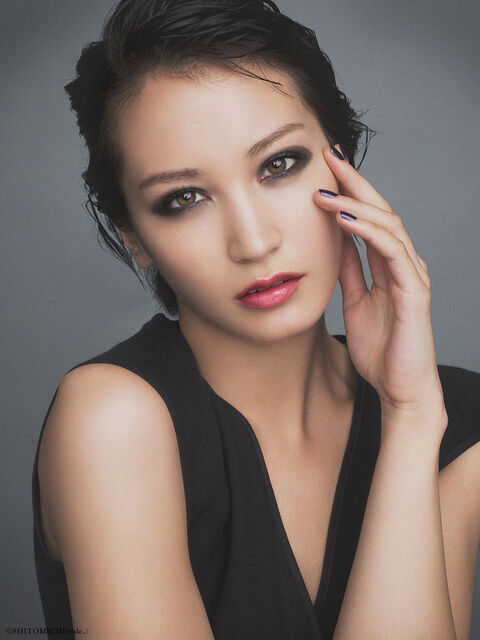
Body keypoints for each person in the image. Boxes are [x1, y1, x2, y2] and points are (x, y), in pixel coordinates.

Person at [31, 1, 480, 639]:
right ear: (133, 236)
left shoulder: (452, 421)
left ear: (342, 163)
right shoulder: (113, 419)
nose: (253, 241)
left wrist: (409, 418)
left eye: (278, 164)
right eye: (184, 198)